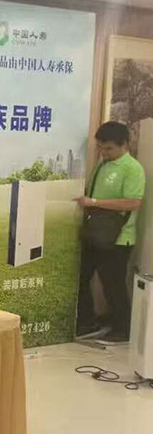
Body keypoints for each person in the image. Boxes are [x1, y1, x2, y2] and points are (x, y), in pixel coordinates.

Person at [75, 121, 146, 343]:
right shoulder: (103, 164)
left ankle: (123, 328)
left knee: (113, 284)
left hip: (119, 238)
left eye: (108, 149)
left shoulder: (132, 168)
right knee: (81, 277)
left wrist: (95, 202)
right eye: (100, 148)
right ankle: (86, 321)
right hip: (95, 233)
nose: (104, 153)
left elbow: (133, 202)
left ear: (124, 144)